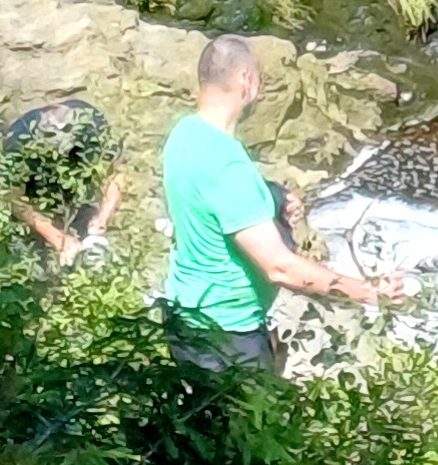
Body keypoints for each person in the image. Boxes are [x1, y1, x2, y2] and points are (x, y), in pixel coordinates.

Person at [160, 33, 399, 372]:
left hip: (186, 316)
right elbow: (280, 267)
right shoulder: (227, 166)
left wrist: (272, 198)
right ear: (246, 80)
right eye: (260, 75)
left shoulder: (185, 134)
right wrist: (366, 292)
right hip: (227, 337)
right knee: (249, 425)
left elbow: (207, 202)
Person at [0, 94, 125, 267]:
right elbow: (14, 199)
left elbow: (117, 172)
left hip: (81, 199)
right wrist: (57, 238)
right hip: (38, 203)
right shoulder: (19, 141)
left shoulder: (90, 121)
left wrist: (102, 218)